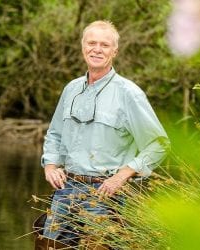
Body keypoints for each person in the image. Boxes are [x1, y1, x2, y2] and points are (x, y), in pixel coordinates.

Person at [40, 20, 170, 248]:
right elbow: (54, 134)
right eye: (92, 43)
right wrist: (50, 165)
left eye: (104, 45)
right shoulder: (71, 89)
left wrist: (121, 176)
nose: (97, 49)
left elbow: (159, 144)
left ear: (114, 51)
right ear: (83, 47)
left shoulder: (129, 93)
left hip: (106, 195)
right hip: (66, 190)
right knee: (49, 247)